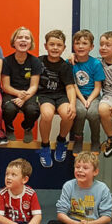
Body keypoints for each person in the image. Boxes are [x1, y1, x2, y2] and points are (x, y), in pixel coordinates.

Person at [46, 152, 112, 224]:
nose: (80, 170)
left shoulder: (102, 189)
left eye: (85, 168)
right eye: (77, 167)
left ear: (95, 172)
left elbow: (106, 217)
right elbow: (61, 214)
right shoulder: (68, 186)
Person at [37, 30, 76, 168]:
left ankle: (61, 140)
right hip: (44, 95)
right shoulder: (39, 61)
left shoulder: (66, 66)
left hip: (61, 96)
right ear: (45, 45)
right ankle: (45, 146)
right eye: (51, 44)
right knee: (47, 115)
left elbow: (70, 87)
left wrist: (72, 104)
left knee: (68, 114)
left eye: (59, 45)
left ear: (64, 48)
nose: (55, 48)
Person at [1, 27, 42, 144]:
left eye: (27, 38)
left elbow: (34, 86)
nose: (23, 40)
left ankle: (27, 127)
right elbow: (6, 86)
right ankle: (9, 129)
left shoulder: (35, 61)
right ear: (14, 42)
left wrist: (24, 97)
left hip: (29, 93)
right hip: (11, 93)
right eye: (19, 37)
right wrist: (18, 94)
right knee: (8, 109)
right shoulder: (6, 61)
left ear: (31, 43)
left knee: (32, 110)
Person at [70, 30, 105, 155]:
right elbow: (73, 85)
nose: (80, 46)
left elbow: (97, 87)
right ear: (73, 46)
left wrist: (89, 100)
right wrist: (83, 100)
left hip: (93, 96)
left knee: (93, 113)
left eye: (84, 43)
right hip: (78, 96)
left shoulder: (95, 63)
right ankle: (78, 139)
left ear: (91, 47)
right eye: (77, 43)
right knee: (79, 111)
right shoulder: (71, 63)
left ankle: (95, 141)